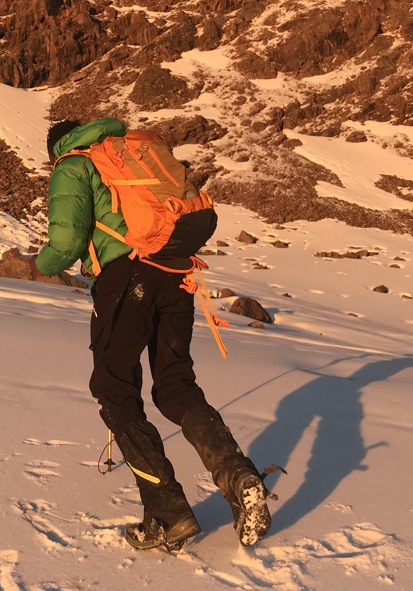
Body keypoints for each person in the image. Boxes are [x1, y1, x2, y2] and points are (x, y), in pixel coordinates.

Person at [31, 117, 271, 552]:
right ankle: (238, 475)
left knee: (114, 388)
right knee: (175, 386)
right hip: (176, 275)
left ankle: (168, 511)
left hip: (127, 279)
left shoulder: (74, 163)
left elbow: (65, 243)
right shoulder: (132, 150)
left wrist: (41, 264)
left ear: (55, 149)